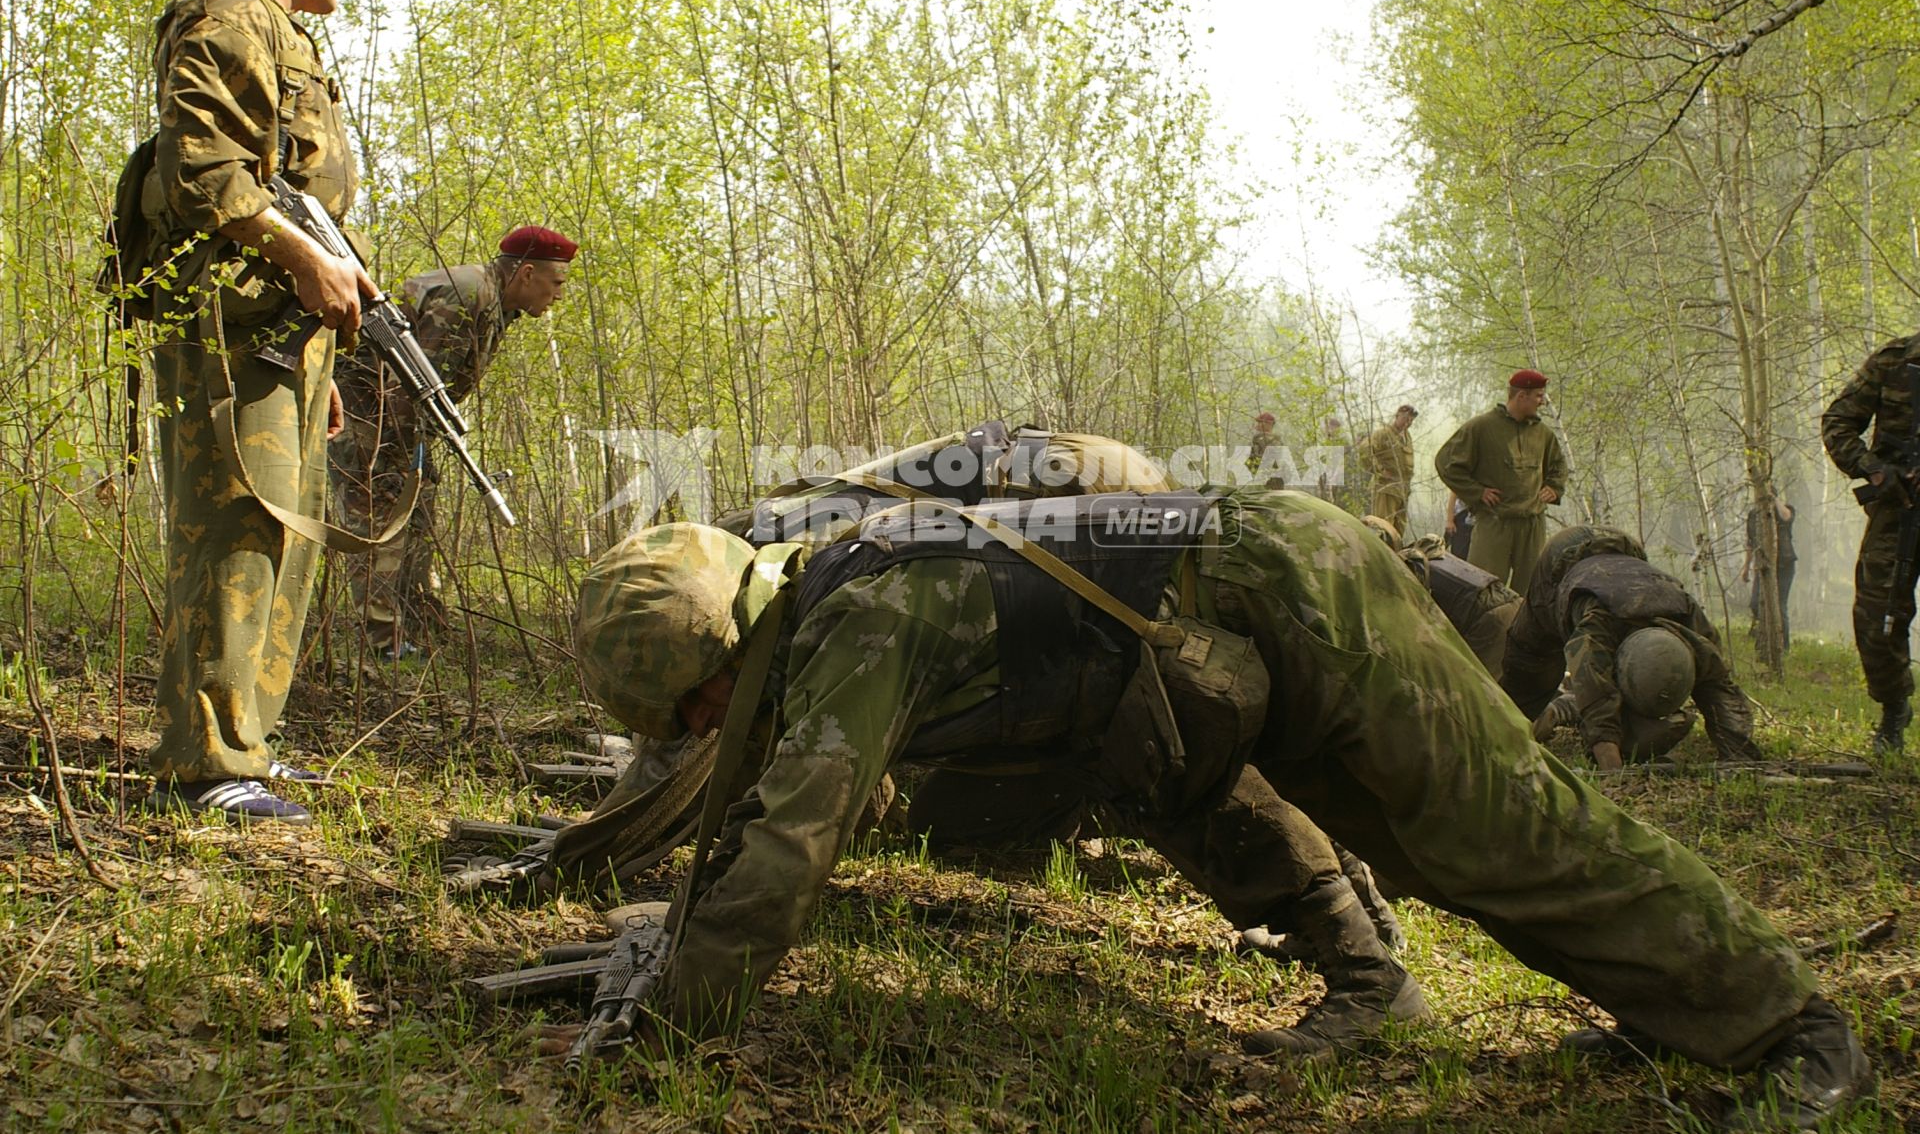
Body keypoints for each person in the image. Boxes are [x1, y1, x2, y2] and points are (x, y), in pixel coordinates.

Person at [567, 489, 1871, 1126]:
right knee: (1393, 844)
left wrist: (676, 1023)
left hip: (1288, 584)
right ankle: (1627, 1013)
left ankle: (1788, 1025)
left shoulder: (857, 616)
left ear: (715, 653)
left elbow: (795, 832)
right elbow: (762, 812)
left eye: (689, 712)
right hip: (1201, 659)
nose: (694, 738)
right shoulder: (828, 599)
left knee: (1502, 828)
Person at [139, 0, 371, 824]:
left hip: (275, 335)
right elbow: (199, 168)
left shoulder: (283, 36)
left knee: (283, 536)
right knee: (235, 529)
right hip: (227, 330)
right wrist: (308, 268)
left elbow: (298, 188)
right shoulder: (228, 17)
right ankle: (209, 762)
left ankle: (247, 743)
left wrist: (320, 345)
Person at [327, 226, 576, 656]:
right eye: (557, 284)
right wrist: (399, 457)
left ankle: (421, 626)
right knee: (382, 526)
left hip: (397, 428)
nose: (558, 296)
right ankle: (386, 642)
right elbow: (408, 386)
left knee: (417, 521)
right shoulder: (467, 296)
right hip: (371, 425)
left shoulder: (490, 300)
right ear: (528, 273)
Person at [1502, 526, 1764, 771]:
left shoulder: (1688, 621)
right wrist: (1613, 769)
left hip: (1625, 549)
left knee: (1642, 738)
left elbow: (1719, 686)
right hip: (1560, 562)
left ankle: (1563, 707)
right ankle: (1525, 719)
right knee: (1528, 672)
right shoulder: (1596, 629)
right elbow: (1597, 702)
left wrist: (1739, 755)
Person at [1821, 343, 1919, 753]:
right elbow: (1838, 422)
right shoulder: (1893, 361)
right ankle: (1894, 711)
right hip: (1899, 510)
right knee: (1876, 613)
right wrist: (1875, 470)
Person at [1434, 369, 1568, 594]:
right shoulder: (1481, 427)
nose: (1542, 402)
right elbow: (1446, 462)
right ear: (1521, 396)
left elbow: (1558, 466)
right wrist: (1477, 493)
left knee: (1533, 591)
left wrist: (1554, 487)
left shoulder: (1543, 434)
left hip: (1532, 523)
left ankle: (1525, 630)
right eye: (1538, 396)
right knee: (1482, 589)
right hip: (1494, 522)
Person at [1360, 517, 1518, 674]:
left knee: (1472, 692)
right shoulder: (1427, 552)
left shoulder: (1405, 571)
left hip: (1489, 620)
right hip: (1512, 604)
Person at [1740, 495, 1796, 650]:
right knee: (1755, 603)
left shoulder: (1785, 510)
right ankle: (1763, 639)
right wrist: (1746, 567)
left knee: (1780, 606)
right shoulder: (1753, 516)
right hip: (1763, 565)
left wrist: (1774, 500)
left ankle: (1783, 646)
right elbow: (1750, 542)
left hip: (1785, 564)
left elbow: (1786, 517)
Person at [1357, 404, 1418, 535]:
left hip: (1403, 489)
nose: (1407, 423)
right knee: (1383, 526)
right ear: (1397, 416)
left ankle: (1396, 553)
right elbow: (1364, 450)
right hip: (1386, 488)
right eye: (1405, 418)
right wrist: (1379, 470)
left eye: (1410, 420)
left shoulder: (1407, 436)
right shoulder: (1383, 433)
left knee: (1399, 527)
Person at [1442, 494, 1475, 559]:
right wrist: (1450, 520)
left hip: (1481, 520)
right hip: (1462, 517)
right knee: (1459, 555)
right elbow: (1453, 493)